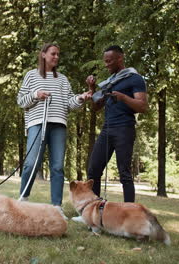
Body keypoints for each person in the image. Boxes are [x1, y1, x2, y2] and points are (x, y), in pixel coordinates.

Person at [17, 43, 91, 219]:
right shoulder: (31, 76)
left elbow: (69, 103)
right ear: (43, 55)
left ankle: (57, 207)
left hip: (58, 124)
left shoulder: (63, 79)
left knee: (57, 167)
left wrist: (80, 98)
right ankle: (23, 200)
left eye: (58, 54)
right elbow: (21, 101)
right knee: (31, 163)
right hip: (37, 123)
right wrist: (36, 95)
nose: (56, 57)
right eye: (53, 54)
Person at [85, 45, 148, 203]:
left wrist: (123, 98)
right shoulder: (110, 82)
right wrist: (91, 88)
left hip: (124, 129)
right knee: (93, 170)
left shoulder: (135, 78)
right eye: (105, 61)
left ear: (120, 59)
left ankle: (130, 214)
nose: (106, 64)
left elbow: (142, 106)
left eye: (109, 61)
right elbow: (96, 107)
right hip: (107, 129)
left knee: (124, 173)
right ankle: (94, 210)